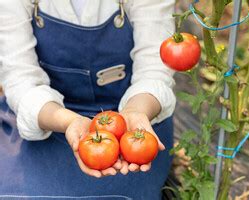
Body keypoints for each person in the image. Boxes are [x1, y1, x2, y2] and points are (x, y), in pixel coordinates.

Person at [0, 0, 176, 199]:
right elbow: (20, 79)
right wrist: (68, 122)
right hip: (44, 119)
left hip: (132, 127)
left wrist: (135, 112)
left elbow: (155, 69)